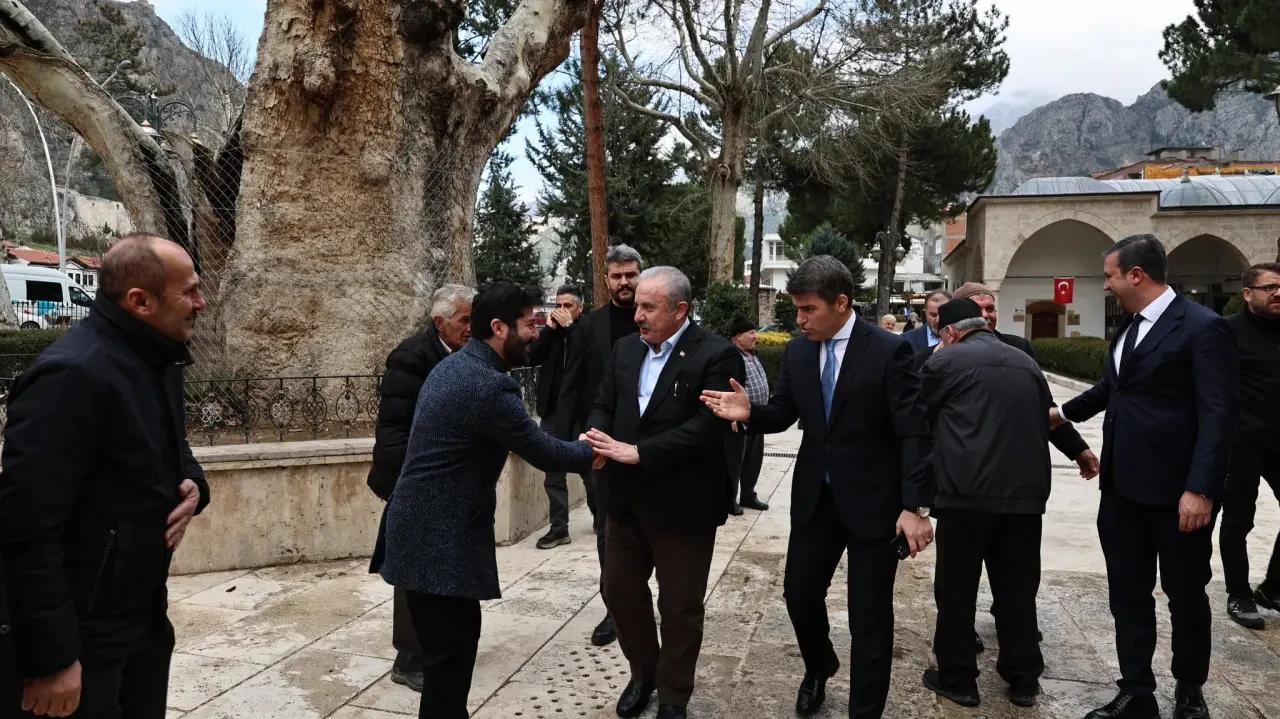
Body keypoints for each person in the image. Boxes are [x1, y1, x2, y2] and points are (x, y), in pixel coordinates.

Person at [701, 256, 934, 718]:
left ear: (841, 303)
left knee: (870, 620)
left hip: (874, 504)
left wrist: (915, 507)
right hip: (816, 500)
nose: (800, 319)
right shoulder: (799, 351)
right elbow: (786, 410)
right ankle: (819, 664)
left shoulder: (890, 350)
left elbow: (913, 430)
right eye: (797, 310)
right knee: (799, 595)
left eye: (808, 309)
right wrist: (750, 414)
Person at [0, 234, 211, 719]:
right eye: (191, 291)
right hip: (84, 644)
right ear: (140, 301)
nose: (201, 303)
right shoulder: (71, 377)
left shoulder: (160, 360)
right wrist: (52, 659)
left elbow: (174, 452)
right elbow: (26, 527)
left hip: (143, 625)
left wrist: (195, 486)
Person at [380, 283, 596, 719]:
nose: (537, 332)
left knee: (447, 662)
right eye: (530, 324)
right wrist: (602, 451)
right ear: (498, 328)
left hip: (420, 531)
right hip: (439, 539)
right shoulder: (489, 386)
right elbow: (544, 451)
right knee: (450, 665)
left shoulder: (455, 366)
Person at [1051, 234, 1237, 719]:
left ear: (1136, 274)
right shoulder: (1129, 327)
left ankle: (1190, 689)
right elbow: (1114, 389)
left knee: (1185, 595)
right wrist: (1058, 414)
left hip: (1178, 495)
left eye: (1110, 275)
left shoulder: (1203, 328)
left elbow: (1218, 416)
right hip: (1121, 490)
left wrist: (1200, 489)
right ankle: (1137, 690)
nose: (1106, 284)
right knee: (1127, 595)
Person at [582, 267, 744, 719]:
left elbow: (706, 428)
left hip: (684, 504)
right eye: (637, 306)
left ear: (681, 310)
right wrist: (595, 435)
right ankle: (643, 672)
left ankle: (674, 695)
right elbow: (604, 401)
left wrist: (641, 452)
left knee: (680, 605)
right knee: (618, 590)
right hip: (624, 499)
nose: (638, 316)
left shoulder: (717, 354)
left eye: (649, 307)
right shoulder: (625, 350)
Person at [951, 281, 1099, 652]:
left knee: (1017, 573)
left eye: (991, 308)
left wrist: (1077, 448)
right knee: (959, 575)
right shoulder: (939, 355)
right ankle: (961, 633)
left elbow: (1043, 410)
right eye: (978, 309)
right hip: (964, 485)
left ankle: (1014, 630)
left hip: (1017, 484)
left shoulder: (1020, 350)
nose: (987, 315)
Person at [919, 298, 1052, 710]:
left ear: (951, 333)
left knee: (956, 591)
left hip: (966, 497)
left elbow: (915, 417)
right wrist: (1082, 452)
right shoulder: (1025, 363)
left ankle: (959, 678)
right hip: (1024, 499)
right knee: (1017, 591)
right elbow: (1049, 417)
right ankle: (1023, 679)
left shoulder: (945, 363)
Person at [366, 284, 475, 692]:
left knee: (444, 569)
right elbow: (394, 429)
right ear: (440, 323)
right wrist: (405, 486)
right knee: (413, 570)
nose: (471, 327)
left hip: (452, 482)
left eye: (473, 319)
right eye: (465, 320)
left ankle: (440, 647)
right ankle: (410, 658)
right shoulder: (412, 357)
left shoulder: (469, 356)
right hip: (414, 481)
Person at [556, 243, 644, 646]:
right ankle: (616, 606)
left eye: (630, 275)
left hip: (653, 446)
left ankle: (642, 596)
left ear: (640, 275)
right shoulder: (588, 328)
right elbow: (571, 385)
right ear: (605, 280)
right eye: (616, 276)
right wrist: (567, 443)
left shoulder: (659, 319)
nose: (624, 282)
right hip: (602, 447)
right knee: (607, 528)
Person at [1220, 262, 1280, 629]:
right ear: (1247, 293)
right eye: (1269, 287)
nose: (1277, 294)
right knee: (1239, 520)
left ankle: (1273, 587)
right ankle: (1239, 593)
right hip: (1241, 442)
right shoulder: (1228, 333)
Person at [529, 285, 586, 549]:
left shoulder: (586, 331)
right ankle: (559, 528)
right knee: (553, 470)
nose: (562, 312)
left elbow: (588, 357)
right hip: (552, 411)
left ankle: (602, 517)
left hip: (579, 412)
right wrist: (550, 331)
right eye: (558, 306)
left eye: (568, 306)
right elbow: (531, 357)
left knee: (589, 469)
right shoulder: (550, 334)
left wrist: (572, 328)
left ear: (580, 308)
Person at [724, 315, 770, 515]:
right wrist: (732, 417)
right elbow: (728, 388)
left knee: (754, 458)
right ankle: (729, 499)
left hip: (757, 418)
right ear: (738, 336)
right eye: (751, 332)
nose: (755, 336)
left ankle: (748, 495)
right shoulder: (730, 357)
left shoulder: (752, 354)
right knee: (735, 460)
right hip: (739, 419)